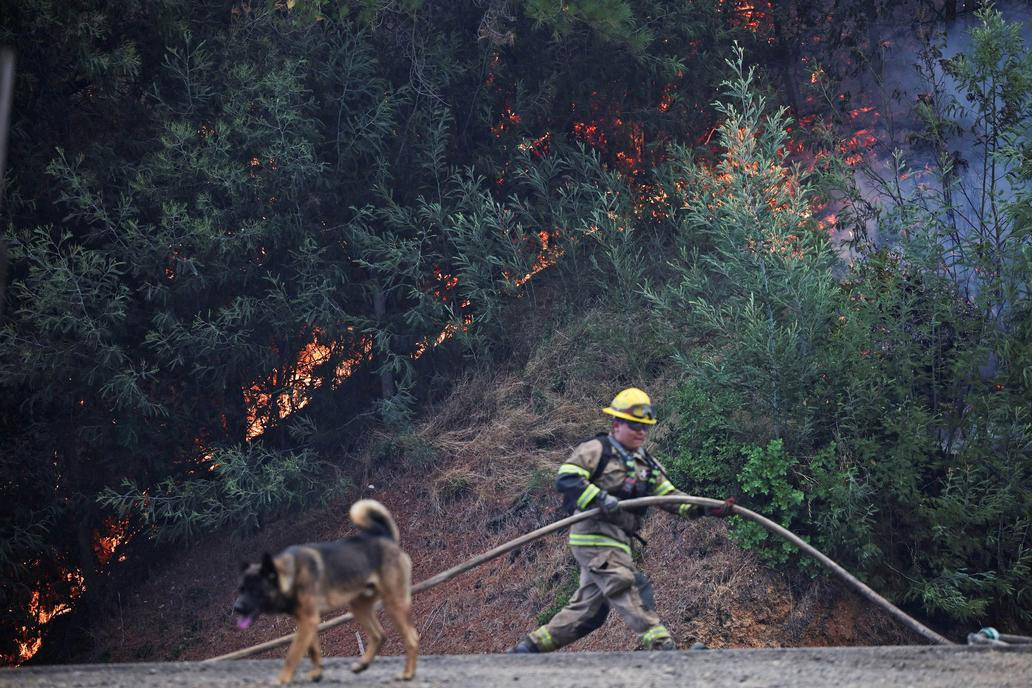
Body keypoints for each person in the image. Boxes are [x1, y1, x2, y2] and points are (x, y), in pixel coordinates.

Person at [508, 387, 735, 653]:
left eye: (645, 427)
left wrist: (708, 509)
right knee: (624, 582)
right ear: (616, 424)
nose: (640, 432)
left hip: (619, 540)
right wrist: (600, 498)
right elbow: (566, 478)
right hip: (592, 536)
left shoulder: (647, 466)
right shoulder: (596, 450)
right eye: (634, 425)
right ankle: (664, 648)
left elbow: (670, 497)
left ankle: (528, 650)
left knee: (588, 613)